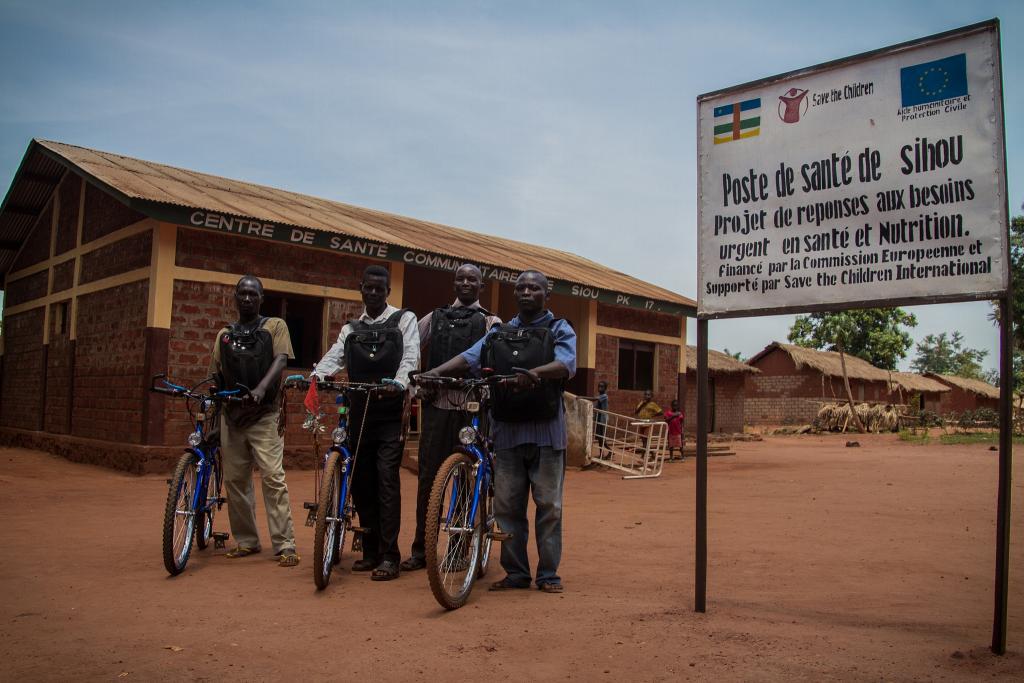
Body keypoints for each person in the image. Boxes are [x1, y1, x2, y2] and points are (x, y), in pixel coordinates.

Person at [419, 270, 576, 594]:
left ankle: (548, 575)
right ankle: (516, 573)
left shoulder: (559, 328)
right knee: (507, 506)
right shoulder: (499, 332)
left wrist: (533, 373)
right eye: (521, 288)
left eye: (534, 287)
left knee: (549, 507)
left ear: (547, 294)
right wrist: (434, 372)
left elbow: (566, 364)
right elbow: (468, 358)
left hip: (547, 433)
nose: (526, 292)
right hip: (506, 434)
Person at [312, 264, 419, 581]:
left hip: (388, 415)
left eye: (379, 288)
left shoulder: (404, 320)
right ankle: (370, 551)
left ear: (388, 291)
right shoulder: (351, 328)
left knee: (386, 481)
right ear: (361, 288)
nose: (373, 292)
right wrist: (317, 376)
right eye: (368, 287)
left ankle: (390, 555)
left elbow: (410, 357)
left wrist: (399, 383)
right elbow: (335, 355)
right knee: (360, 482)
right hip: (358, 414)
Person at [401, 264, 501, 572]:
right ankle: (421, 549)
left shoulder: (491, 321)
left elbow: (487, 354)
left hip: (471, 410)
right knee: (429, 479)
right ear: (454, 283)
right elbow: (408, 344)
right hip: (437, 408)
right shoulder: (435, 317)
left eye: (472, 279)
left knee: (467, 478)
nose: (466, 283)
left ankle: (459, 549)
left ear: (481, 286)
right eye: (461, 278)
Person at [209, 275, 299, 567]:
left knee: (273, 478)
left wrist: (261, 389)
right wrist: (214, 420)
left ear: (262, 298)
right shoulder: (224, 334)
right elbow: (216, 376)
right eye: (243, 293)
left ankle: (285, 545)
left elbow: (281, 360)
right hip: (232, 416)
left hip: (265, 414)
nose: (247, 298)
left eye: (253, 294)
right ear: (235, 297)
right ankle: (247, 541)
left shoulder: (275, 326)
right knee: (236, 481)